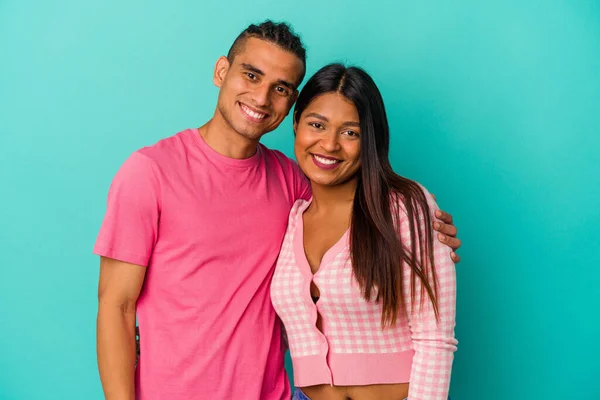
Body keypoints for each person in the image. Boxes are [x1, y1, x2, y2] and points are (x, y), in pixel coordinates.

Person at [94, 21, 461, 400]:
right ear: (222, 71)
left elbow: (361, 214)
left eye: (281, 88)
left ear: (291, 104)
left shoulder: (294, 183)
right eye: (251, 75)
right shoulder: (150, 172)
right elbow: (116, 307)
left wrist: (427, 230)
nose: (261, 97)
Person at [271, 64, 458, 400]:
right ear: (296, 123)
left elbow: (435, 337)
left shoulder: (406, 208)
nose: (329, 144)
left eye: (350, 133)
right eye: (317, 125)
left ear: (370, 139)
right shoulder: (291, 217)